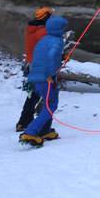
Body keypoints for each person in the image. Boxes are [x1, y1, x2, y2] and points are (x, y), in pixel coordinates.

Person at [19, 15, 68, 147]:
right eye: (63, 27)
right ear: (59, 28)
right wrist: (51, 74)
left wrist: (61, 57)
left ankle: (45, 131)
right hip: (46, 78)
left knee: (48, 102)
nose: (64, 30)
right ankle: (31, 132)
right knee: (51, 105)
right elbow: (52, 56)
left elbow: (40, 56)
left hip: (36, 77)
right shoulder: (57, 41)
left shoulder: (44, 39)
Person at [16, 6, 52, 132]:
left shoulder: (31, 29)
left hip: (32, 66)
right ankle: (43, 128)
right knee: (48, 96)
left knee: (34, 95)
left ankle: (23, 122)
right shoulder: (43, 32)